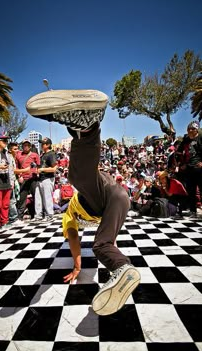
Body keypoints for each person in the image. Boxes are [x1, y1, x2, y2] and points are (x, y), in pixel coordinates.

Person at [26, 88, 141, 316]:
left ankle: (88, 127)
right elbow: (109, 238)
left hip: (105, 193)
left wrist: (77, 265)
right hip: (119, 200)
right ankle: (123, 268)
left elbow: (74, 237)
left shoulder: (70, 211)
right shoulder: (79, 210)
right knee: (101, 245)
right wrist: (110, 259)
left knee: (77, 177)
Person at [177, 121, 202, 217]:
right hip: (189, 168)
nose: (189, 130)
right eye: (188, 129)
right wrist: (182, 163)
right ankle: (193, 211)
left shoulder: (200, 138)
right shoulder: (186, 140)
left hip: (199, 168)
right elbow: (179, 152)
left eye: (192, 129)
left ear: (196, 130)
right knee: (191, 191)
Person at [33, 137, 57, 222]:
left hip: (48, 178)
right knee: (38, 197)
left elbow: (54, 169)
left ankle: (49, 215)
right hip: (40, 178)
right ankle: (38, 215)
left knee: (47, 197)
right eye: (42, 143)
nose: (42, 145)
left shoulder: (51, 154)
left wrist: (42, 170)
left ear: (48, 145)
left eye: (44, 143)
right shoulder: (43, 155)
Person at [16, 139, 40, 221]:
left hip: (33, 178)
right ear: (22, 146)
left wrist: (37, 173)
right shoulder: (18, 155)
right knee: (22, 198)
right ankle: (20, 216)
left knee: (35, 197)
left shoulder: (35, 155)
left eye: (27, 145)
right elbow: (17, 167)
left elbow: (38, 166)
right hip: (24, 179)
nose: (26, 147)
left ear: (30, 146)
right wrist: (19, 176)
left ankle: (34, 215)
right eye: (24, 145)